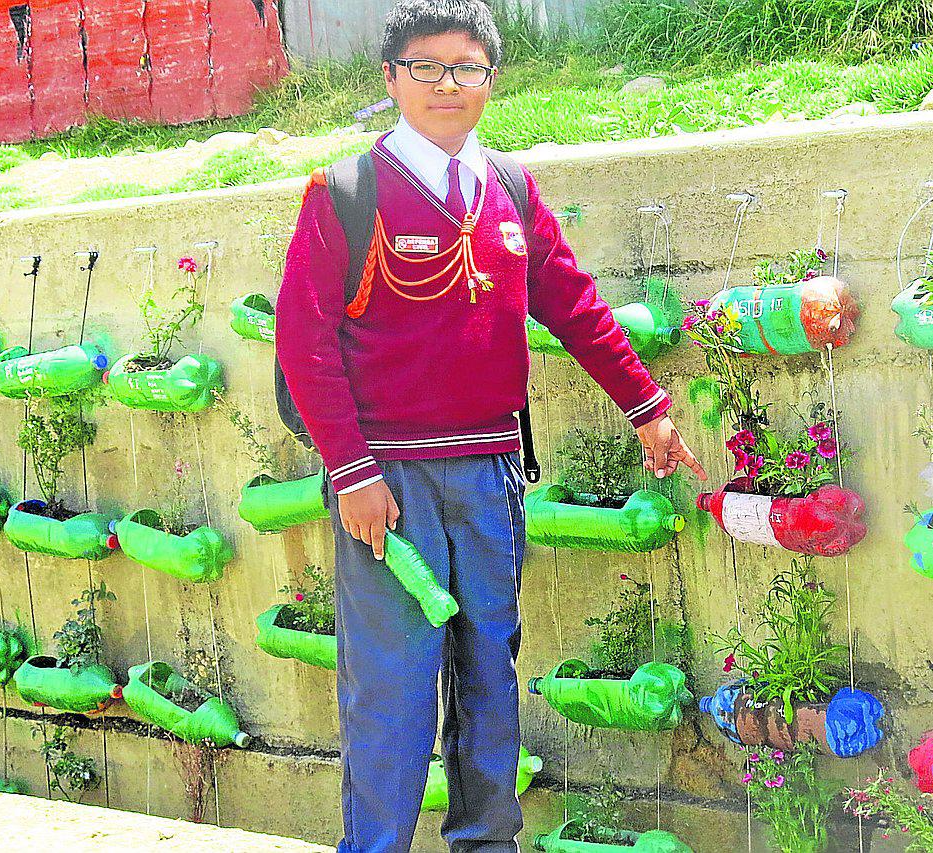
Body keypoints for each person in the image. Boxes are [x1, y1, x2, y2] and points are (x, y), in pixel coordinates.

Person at [275, 2, 706, 851]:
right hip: (387, 488)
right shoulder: (346, 194)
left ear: (491, 79)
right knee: (391, 691)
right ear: (391, 78)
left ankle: (486, 842)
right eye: (426, 67)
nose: (447, 84)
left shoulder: (509, 188)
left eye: (466, 67)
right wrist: (352, 471)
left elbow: (573, 303)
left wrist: (647, 407)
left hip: (491, 476)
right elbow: (303, 341)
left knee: (488, 679)